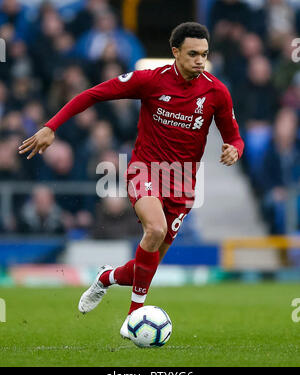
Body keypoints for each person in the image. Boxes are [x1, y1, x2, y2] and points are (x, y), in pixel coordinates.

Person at [19, 22, 244, 338]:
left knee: (146, 264)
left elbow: (235, 137)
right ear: (175, 52)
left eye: (204, 54)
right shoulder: (150, 81)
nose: (199, 61)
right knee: (155, 229)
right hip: (145, 170)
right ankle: (134, 317)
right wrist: (52, 126)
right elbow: (93, 94)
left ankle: (106, 277)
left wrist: (234, 150)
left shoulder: (216, 92)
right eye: (193, 54)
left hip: (183, 183)